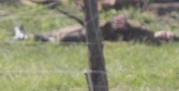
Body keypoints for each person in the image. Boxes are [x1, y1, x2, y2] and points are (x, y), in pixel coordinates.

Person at [14, 15, 177, 44]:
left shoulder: (148, 40)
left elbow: (124, 37)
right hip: (101, 27)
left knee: (65, 37)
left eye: (167, 38)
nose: (164, 35)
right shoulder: (147, 30)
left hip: (101, 36)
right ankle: (27, 35)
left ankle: (25, 37)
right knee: (64, 31)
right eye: (167, 33)